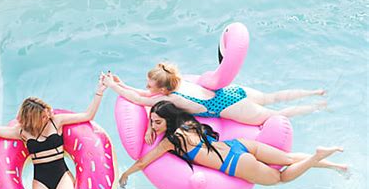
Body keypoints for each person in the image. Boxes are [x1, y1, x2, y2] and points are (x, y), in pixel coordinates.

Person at [118, 101, 347, 189]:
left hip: (234, 162)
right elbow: (155, 107)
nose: (154, 126)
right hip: (241, 145)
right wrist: (150, 126)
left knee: (280, 179)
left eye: (157, 123)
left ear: (167, 120)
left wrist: (126, 174)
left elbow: (144, 161)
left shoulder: (171, 141)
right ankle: (335, 164)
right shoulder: (188, 122)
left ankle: (316, 157)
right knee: (287, 158)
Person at [102, 62, 327, 143]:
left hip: (228, 108)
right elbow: (143, 94)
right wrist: (123, 84)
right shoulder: (176, 83)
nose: (147, 86)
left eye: (150, 84)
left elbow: (139, 98)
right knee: (272, 97)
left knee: (275, 116)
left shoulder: (167, 97)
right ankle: (315, 92)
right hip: (231, 91)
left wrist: (112, 87)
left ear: (161, 89)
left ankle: (317, 108)